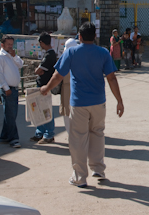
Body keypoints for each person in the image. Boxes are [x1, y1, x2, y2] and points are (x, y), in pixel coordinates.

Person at [40, 22, 124, 188]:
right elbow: (112, 78)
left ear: (79, 36)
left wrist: (46, 88)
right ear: (94, 36)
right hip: (99, 102)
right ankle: (98, 168)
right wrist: (119, 101)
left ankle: (80, 177)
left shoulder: (71, 52)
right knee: (98, 133)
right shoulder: (103, 52)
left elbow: (58, 75)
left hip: (78, 103)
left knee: (78, 138)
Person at [0, 35, 24, 148]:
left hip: (14, 88)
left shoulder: (11, 56)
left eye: (12, 44)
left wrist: (14, 56)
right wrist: (5, 88)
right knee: (11, 114)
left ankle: (4, 136)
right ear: (3, 45)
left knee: (10, 114)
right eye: (8, 44)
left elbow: (20, 64)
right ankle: (13, 138)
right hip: (8, 89)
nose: (10, 47)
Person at [31, 32, 58, 144]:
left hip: (44, 87)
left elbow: (38, 71)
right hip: (42, 85)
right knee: (39, 110)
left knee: (46, 110)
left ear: (42, 43)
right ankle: (40, 132)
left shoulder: (49, 56)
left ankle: (49, 134)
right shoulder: (50, 54)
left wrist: (39, 71)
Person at [60, 36, 79, 137]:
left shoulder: (64, 58)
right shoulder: (82, 58)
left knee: (67, 113)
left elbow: (57, 75)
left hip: (67, 88)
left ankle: (71, 135)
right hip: (79, 89)